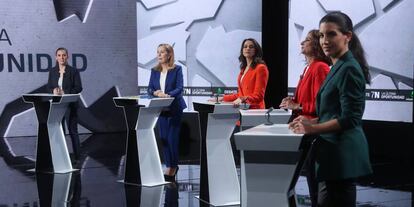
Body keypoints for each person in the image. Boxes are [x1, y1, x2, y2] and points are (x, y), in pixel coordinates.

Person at [289, 12, 372, 207]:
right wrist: (311, 121)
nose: (325, 40)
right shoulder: (338, 65)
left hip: (341, 156)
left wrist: (311, 129)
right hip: (332, 155)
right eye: (321, 35)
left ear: (347, 36)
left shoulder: (349, 68)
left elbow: (350, 118)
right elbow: (332, 112)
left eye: (331, 34)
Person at [279, 29, 331, 207]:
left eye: (307, 40)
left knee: (315, 180)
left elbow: (321, 105)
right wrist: (292, 101)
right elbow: (306, 100)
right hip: (303, 129)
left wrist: (298, 106)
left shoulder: (320, 67)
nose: (302, 43)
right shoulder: (308, 67)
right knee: (309, 177)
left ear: (316, 44)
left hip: (314, 130)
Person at [148, 43, 187, 181]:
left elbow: (179, 88)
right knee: (164, 138)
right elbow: (149, 89)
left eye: (162, 52)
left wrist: (168, 95)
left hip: (174, 108)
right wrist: (156, 92)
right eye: (157, 52)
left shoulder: (177, 69)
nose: (159, 55)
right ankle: (169, 164)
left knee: (172, 139)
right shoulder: (154, 71)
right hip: (161, 109)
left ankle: (173, 166)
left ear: (169, 54)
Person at [47, 47, 83, 160]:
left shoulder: (73, 71)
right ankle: (61, 158)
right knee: (60, 132)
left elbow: (79, 88)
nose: (61, 57)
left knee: (73, 131)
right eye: (59, 55)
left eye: (64, 55)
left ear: (67, 56)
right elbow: (49, 86)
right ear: (56, 57)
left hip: (70, 105)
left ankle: (77, 158)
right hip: (57, 105)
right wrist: (53, 90)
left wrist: (64, 92)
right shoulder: (52, 71)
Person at [213, 38, 269, 109]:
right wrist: (222, 98)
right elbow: (240, 94)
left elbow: (259, 96)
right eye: (245, 47)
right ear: (242, 51)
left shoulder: (261, 68)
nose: (247, 48)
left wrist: (242, 99)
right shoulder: (243, 69)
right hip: (243, 110)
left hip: (255, 111)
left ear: (256, 50)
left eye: (251, 47)